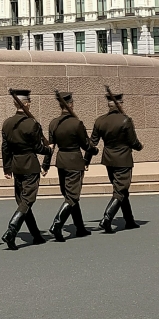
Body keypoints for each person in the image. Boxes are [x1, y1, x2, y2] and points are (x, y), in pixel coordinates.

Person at [0, 88, 50, 250]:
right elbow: (37, 147)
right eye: (30, 101)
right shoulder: (32, 124)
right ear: (26, 103)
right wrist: (48, 149)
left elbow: (5, 147)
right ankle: (11, 231)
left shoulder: (7, 123)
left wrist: (7, 167)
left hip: (16, 165)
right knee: (28, 200)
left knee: (23, 202)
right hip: (30, 165)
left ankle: (35, 234)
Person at [90, 85, 144, 233]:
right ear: (119, 104)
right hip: (123, 160)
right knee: (120, 190)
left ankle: (129, 220)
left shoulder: (99, 120)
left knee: (121, 190)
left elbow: (92, 142)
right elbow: (133, 141)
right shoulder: (126, 120)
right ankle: (107, 218)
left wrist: (87, 160)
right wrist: (140, 147)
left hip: (108, 160)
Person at [46, 91, 94, 241]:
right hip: (74, 160)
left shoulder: (53, 123)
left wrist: (46, 165)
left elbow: (50, 147)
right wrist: (94, 150)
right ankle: (57, 225)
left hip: (61, 161)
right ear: (71, 104)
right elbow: (86, 145)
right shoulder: (76, 123)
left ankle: (79, 227)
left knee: (70, 195)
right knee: (72, 196)